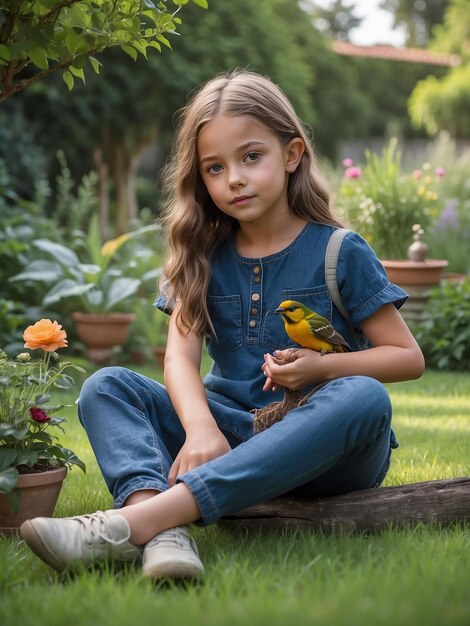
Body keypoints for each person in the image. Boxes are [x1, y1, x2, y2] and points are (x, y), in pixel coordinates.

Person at [20, 70, 425, 579]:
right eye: (214, 167)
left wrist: (322, 369)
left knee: (365, 397)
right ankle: (166, 538)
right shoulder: (201, 257)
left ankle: (131, 524)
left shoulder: (339, 251)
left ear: (292, 154)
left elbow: (407, 359)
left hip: (328, 450)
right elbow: (179, 360)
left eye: (251, 157)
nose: (233, 178)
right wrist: (200, 427)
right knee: (107, 386)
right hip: (231, 432)